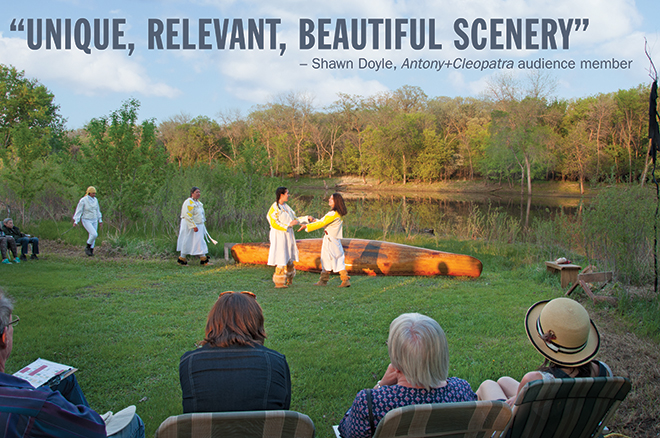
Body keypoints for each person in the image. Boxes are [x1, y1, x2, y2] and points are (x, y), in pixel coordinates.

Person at [0, 289, 145, 438]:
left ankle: (81, 420)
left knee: (65, 379)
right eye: (12, 323)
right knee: (134, 422)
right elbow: (97, 432)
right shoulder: (37, 405)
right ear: (4, 337)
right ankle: (85, 423)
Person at [338, 313, 478, 438]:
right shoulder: (461, 391)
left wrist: (381, 385)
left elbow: (346, 430)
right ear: (441, 354)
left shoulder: (373, 402)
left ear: (396, 357)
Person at [476, 297, 611, 406]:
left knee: (487, 385)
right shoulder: (604, 372)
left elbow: (512, 422)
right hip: (572, 425)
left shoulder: (535, 381)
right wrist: (518, 397)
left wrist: (512, 404)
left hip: (533, 429)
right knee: (503, 381)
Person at [179, 291, 291, 413]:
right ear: (256, 322)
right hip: (261, 432)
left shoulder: (189, 363)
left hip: (208, 432)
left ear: (214, 321)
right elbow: (283, 409)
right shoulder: (276, 361)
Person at [299, 193, 350, 287]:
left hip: (330, 240)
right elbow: (324, 222)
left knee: (327, 259)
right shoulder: (336, 214)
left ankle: (324, 281)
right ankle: (344, 279)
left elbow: (322, 223)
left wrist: (307, 226)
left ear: (336, 201)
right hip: (334, 240)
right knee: (338, 259)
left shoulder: (333, 214)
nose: (329, 200)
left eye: (331, 199)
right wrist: (315, 221)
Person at [266, 187, 312, 288]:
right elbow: (273, 222)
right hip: (279, 235)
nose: (289, 195)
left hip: (288, 234)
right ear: (281, 195)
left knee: (289, 256)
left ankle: (289, 278)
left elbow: (294, 219)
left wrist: (306, 218)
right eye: (287, 193)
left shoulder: (286, 207)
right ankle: (279, 282)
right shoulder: (275, 207)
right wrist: (287, 225)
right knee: (281, 255)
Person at [176, 186, 210, 266]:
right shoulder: (189, 202)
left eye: (199, 192)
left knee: (199, 241)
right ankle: (182, 259)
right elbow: (187, 215)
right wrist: (193, 226)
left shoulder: (198, 203)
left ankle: (203, 259)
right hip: (189, 225)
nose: (198, 194)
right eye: (196, 192)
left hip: (199, 225)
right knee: (187, 240)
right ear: (192, 193)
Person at [73, 186, 103, 257]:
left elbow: (97, 210)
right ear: (89, 193)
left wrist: (100, 220)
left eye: (95, 193)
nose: (94, 195)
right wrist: (76, 221)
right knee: (94, 234)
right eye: (93, 193)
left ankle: (91, 250)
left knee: (93, 236)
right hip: (86, 220)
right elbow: (79, 211)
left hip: (94, 219)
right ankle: (87, 246)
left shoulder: (95, 200)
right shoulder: (83, 200)